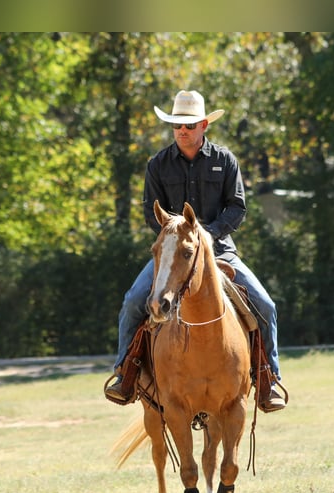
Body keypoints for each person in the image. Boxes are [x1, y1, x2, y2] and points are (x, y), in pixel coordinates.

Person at [104, 90, 286, 413]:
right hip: (175, 255)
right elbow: (152, 213)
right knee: (134, 301)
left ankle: (268, 379)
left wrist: (206, 235)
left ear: (203, 125)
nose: (181, 131)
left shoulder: (225, 161)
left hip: (220, 252)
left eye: (188, 125)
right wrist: (178, 236)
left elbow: (237, 208)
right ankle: (125, 373)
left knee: (265, 305)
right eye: (176, 125)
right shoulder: (157, 165)